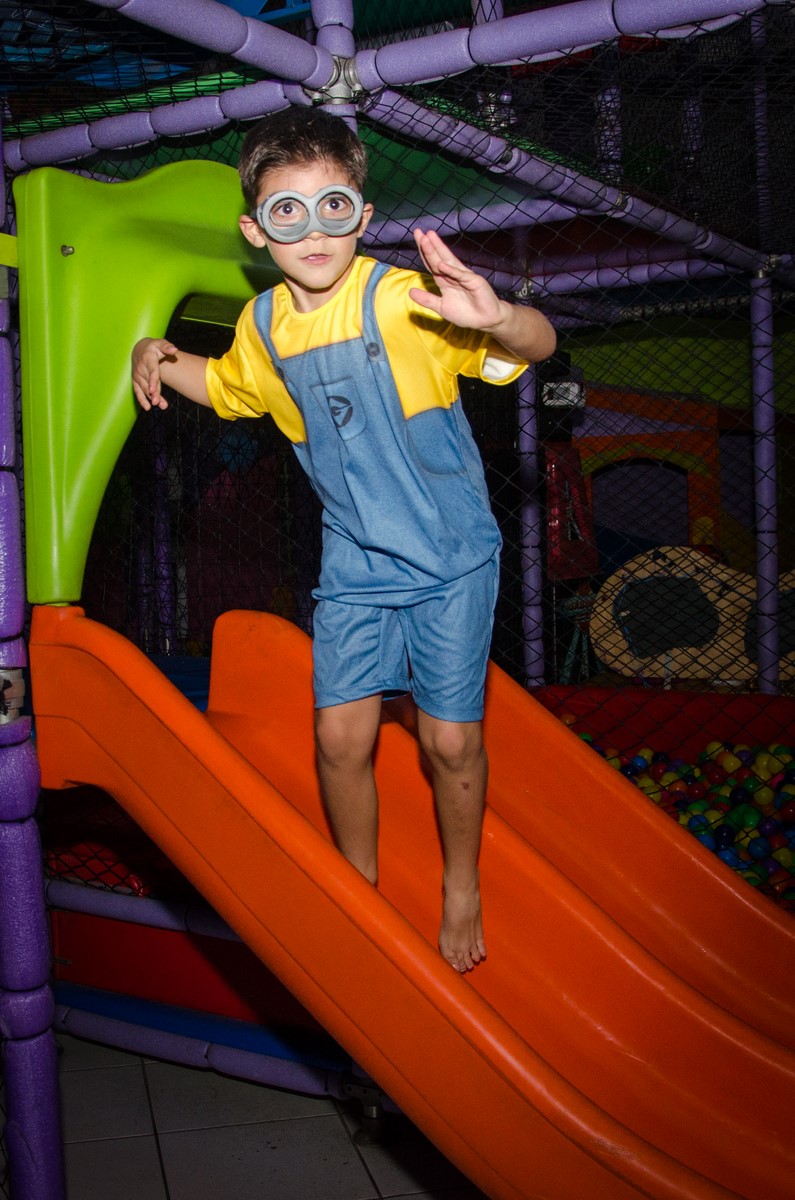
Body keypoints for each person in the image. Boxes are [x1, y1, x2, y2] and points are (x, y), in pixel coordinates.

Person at [132, 105, 556, 972]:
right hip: (356, 563)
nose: (314, 231)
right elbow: (231, 388)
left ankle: (462, 883)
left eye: (333, 207)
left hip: (447, 559)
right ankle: (356, 883)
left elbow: (536, 345)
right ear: (256, 230)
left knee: (447, 742)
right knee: (337, 741)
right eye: (288, 211)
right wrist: (157, 352)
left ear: (361, 217)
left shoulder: (401, 302)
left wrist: (500, 317)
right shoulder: (262, 326)